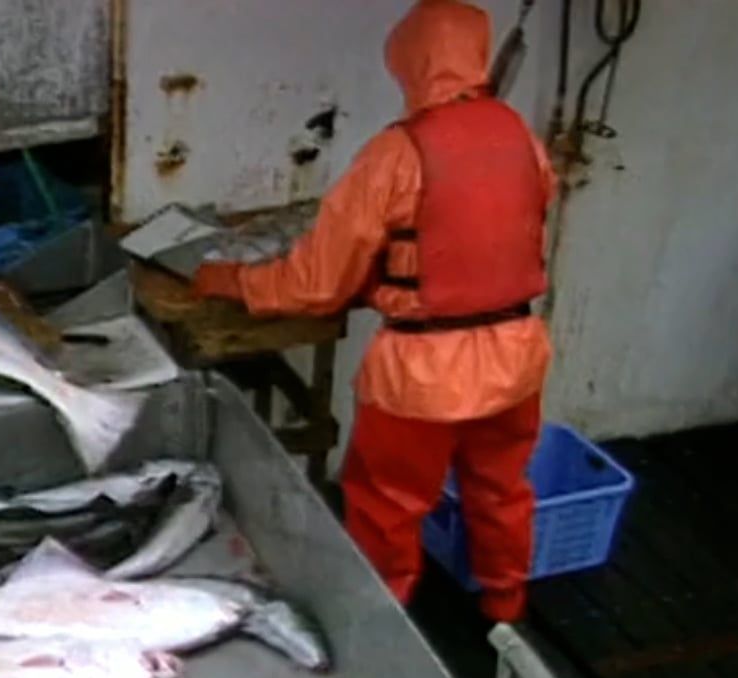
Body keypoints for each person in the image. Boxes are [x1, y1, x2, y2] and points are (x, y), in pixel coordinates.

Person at [192, 0, 558, 624]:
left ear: (411, 62)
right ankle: (507, 611)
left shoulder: (397, 153)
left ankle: (385, 628)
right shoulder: (522, 137)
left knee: (388, 506)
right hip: (516, 358)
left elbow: (313, 287)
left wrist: (226, 279)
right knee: (501, 492)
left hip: (422, 376)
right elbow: (494, 240)